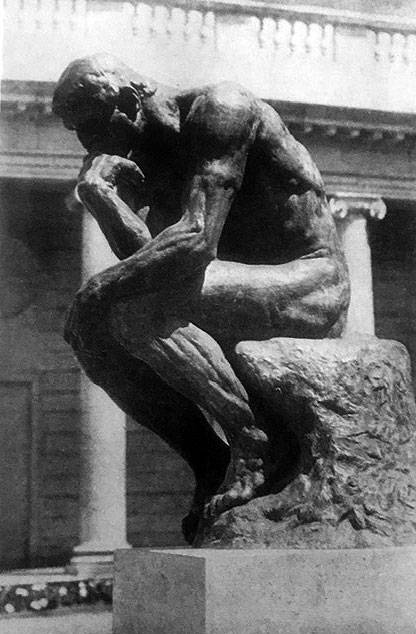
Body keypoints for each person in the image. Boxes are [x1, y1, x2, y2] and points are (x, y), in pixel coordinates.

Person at [53, 54, 349, 541]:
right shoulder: (144, 154)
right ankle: (210, 460)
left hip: (310, 281)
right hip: (227, 283)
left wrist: (98, 289)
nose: (89, 144)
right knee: (92, 334)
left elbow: (195, 240)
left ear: (127, 101)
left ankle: (252, 439)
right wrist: (101, 197)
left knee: (130, 308)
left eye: (90, 126)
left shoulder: (220, 110)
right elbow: (149, 257)